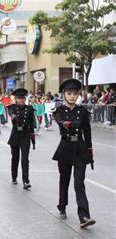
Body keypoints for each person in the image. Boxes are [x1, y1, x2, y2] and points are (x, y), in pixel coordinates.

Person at [52, 79, 95, 228]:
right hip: (65, 148)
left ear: (78, 95)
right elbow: (59, 121)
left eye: (74, 94)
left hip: (80, 149)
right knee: (64, 180)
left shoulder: (82, 111)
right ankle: (62, 205)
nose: (72, 96)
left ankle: (84, 216)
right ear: (63, 95)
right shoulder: (58, 111)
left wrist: (90, 152)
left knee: (79, 182)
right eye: (69, 93)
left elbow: (87, 133)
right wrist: (66, 123)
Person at [7, 88, 35, 189]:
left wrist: (33, 138)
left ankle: (26, 181)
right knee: (15, 158)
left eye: (23, 98)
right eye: (19, 98)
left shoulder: (30, 109)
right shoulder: (12, 107)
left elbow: (31, 124)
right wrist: (12, 115)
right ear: (16, 99)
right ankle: (14, 177)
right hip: (15, 135)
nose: (22, 100)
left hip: (25, 135)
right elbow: (10, 112)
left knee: (25, 159)